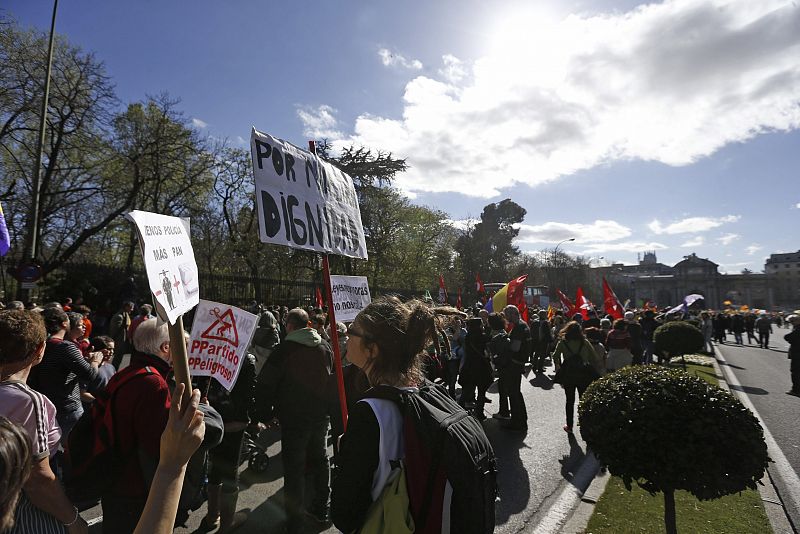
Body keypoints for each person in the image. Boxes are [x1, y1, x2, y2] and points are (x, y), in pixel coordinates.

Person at [330, 297, 437, 532]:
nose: (346, 337)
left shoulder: (370, 412)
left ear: (373, 349)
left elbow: (345, 513)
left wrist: (344, 455)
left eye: (352, 331)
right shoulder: (423, 393)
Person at [0, 310, 88, 534]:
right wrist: (73, 521)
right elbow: (37, 478)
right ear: (39, 350)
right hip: (21, 512)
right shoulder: (29, 401)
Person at [255, 308, 333, 534]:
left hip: (294, 418)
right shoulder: (324, 347)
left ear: (289, 326)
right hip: (320, 416)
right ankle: (322, 507)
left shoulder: (284, 350)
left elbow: (266, 384)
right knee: (321, 460)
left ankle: (294, 521)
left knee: (294, 468)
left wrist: (265, 414)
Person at [100, 318, 174, 534]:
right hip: (134, 484)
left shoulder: (129, 372)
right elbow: (158, 444)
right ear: (165, 347)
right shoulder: (154, 383)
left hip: (114, 476)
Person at [200, 352, 256, 533]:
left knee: (215, 465)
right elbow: (248, 397)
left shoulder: (209, 349)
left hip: (210, 417)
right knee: (229, 470)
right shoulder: (245, 359)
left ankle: (212, 516)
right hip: (232, 421)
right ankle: (226, 523)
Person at [27, 307, 104, 441]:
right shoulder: (65, 347)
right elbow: (90, 374)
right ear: (64, 324)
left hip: (46, 404)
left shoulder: (42, 345)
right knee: (71, 448)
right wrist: (95, 361)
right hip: (67, 406)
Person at [552, 321, 598, 433]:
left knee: (570, 400)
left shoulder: (563, 342)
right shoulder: (585, 342)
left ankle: (569, 426)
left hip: (569, 374)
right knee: (584, 399)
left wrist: (558, 367)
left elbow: (555, 356)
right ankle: (584, 424)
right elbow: (594, 357)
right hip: (583, 374)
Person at [490, 312, 527, 431]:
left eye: (507, 314)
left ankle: (517, 422)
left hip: (512, 366)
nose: (506, 317)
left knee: (513, 393)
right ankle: (521, 418)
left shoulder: (519, 327)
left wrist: (504, 348)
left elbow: (514, 348)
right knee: (515, 393)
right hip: (515, 365)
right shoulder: (520, 326)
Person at [458, 317, 492, 420]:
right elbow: (487, 352)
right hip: (481, 367)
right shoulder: (483, 337)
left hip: (469, 366)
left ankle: (460, 410)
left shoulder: (468, 337)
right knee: (481, 392)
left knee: (467, 390)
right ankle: (480, 413)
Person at [108, 301, 134, 368]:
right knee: (117, 357)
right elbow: (114, 330)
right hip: (119, 340)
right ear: (126, 307)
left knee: (119, 357)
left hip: (122, 340)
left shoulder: (125, 315)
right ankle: (113, 370)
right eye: (131, 308)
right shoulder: (120, 316)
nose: (132, 310)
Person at [785, 315, 800, 397]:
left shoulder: (798, 329)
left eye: (792, 322)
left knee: (795, 372)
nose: (791, 323)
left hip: (797, 353)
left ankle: (796, 390)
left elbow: (788, 337)